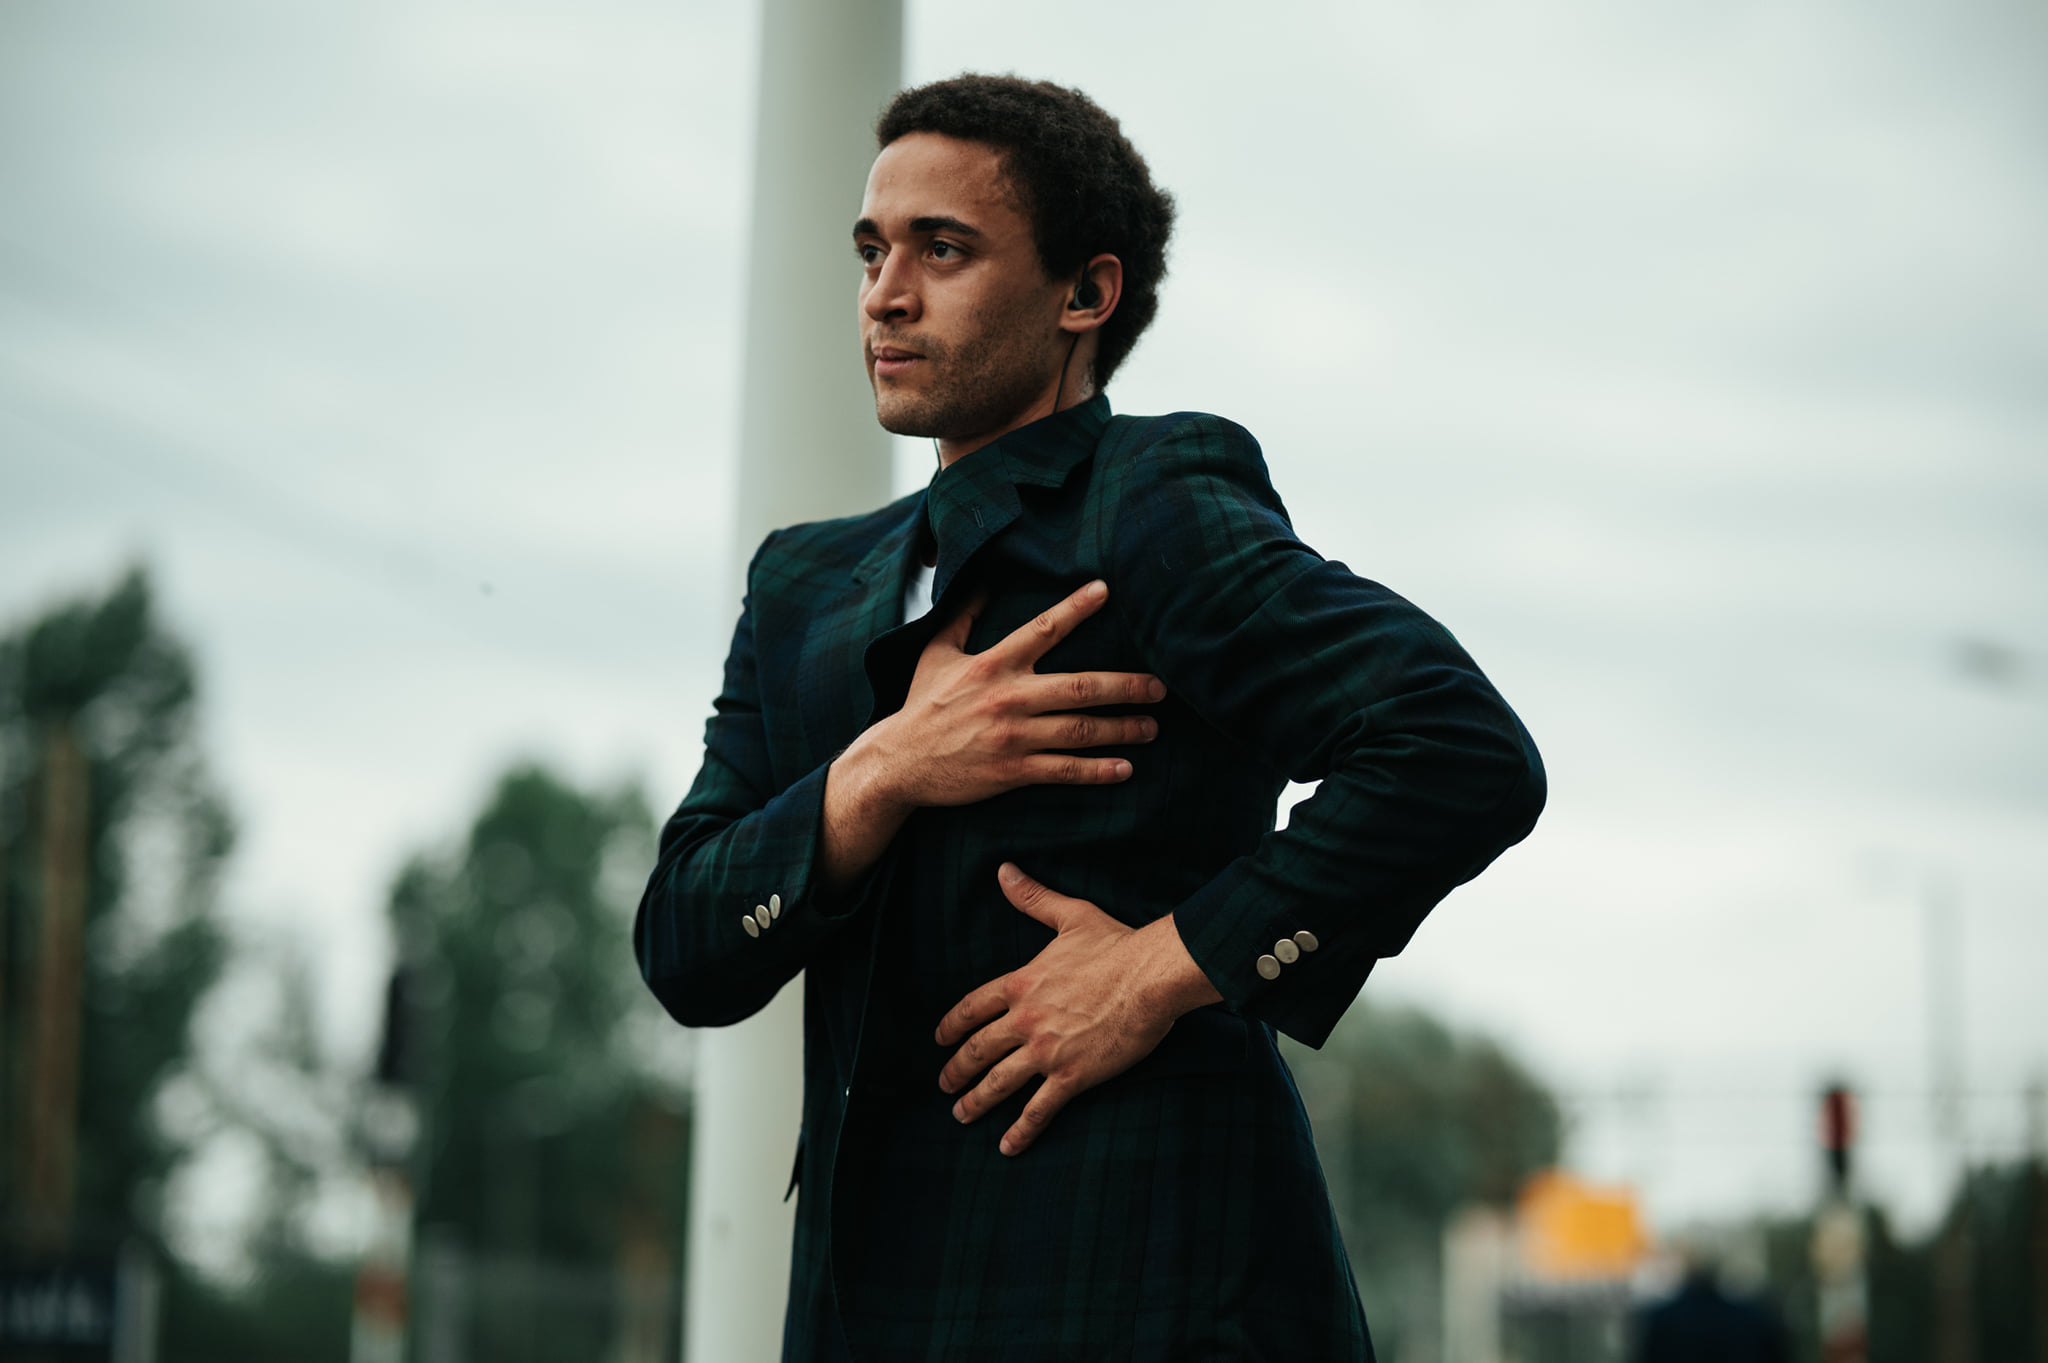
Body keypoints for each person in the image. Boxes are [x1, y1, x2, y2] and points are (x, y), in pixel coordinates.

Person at [635, 74, 1545, 1361]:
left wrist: (1156, 969)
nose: (885, 292)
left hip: (1149, 1286)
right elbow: (683, 946)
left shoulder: (1150, 497)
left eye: (942, 249)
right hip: (862, 1312)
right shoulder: (801, 586)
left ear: (1084, 294)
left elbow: (1455, 747)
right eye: (871, 249)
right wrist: (882, 770)